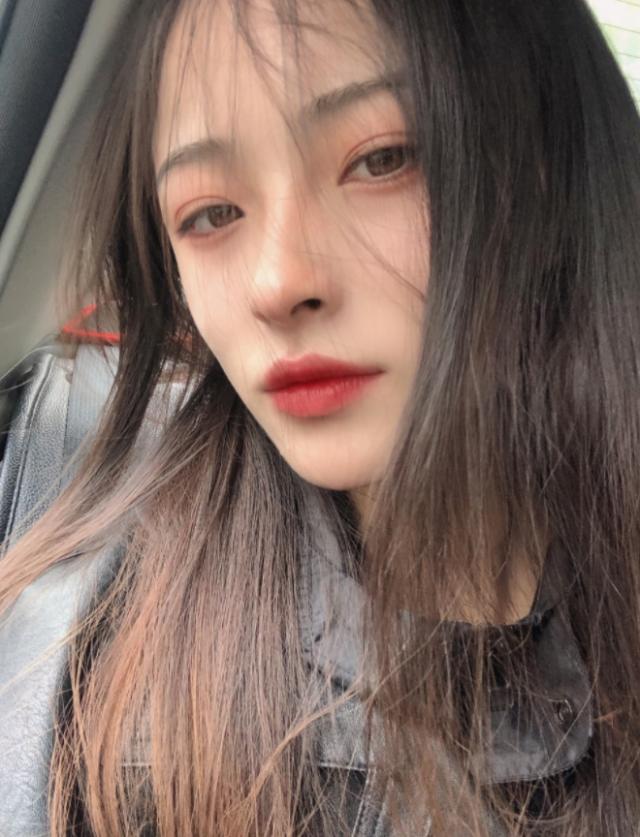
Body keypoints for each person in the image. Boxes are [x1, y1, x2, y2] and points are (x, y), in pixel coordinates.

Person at [1, 0, 639, 833]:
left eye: (380, 159)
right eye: (210, 213)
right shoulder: (91, 662)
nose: (277, 283)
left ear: (541, 172)